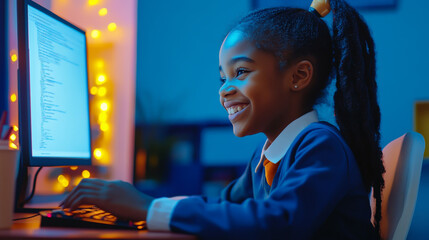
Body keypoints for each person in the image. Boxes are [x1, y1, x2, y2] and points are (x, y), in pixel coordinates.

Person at [61, 0, 385, 239]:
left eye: (240, 72)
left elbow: (279, 222)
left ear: (299, 76)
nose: (225, 90)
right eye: (223, 79)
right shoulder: (265, 156)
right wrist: (141, 204)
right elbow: (224, 205)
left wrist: (148, 208)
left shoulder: (321, 146)